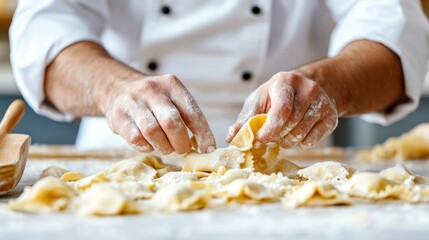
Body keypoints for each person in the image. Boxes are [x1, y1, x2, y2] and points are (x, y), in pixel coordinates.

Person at [9, 0, 429, 155]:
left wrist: (326, 84)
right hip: (121, 153)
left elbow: (392, 29)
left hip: (290, 160)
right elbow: (44, 26)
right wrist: (112, 89)